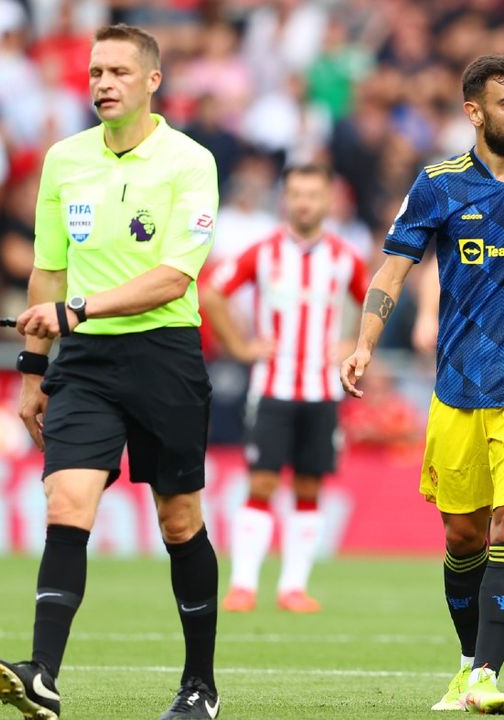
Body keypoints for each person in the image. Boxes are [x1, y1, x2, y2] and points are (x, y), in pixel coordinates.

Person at [339, 54, 504, 716]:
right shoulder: (438, 184)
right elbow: (394, 270)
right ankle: (468, 662)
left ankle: (487, 673)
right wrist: (365, 341)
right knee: (463, 536)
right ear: (474, 112)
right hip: (458, 387)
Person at [0, 24, 223, 720]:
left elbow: (176, 279)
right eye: (94, 72)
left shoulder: (190, 161)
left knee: (179, 523)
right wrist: (33, 372)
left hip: (164, 355)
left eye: (118, 71)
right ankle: (43, 676)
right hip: (84, 362)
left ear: (153, 80)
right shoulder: (63, 161)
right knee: (66, 503)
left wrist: (76, 308)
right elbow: (47, 268)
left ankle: (200, 686)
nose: (103, 83)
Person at [202, 163, 367, 614]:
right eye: (295, 193)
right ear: (285, 199)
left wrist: (354, 344)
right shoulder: (263, 252)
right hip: (272, 387)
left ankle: (293, 586)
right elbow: (213, 292)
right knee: (261, 481)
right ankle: (243, 584)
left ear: (328, 200)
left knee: (310, 487)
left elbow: (373, 302)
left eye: (312, 194)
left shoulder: (344, 257)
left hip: (321, 390)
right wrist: (240, 345)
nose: (304, 202)